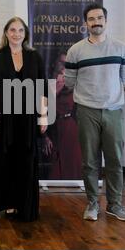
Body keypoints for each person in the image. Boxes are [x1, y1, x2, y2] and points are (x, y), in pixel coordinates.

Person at [64, 3, 125, 221]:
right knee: (90, 161)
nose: (96, 22)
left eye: (99, 18)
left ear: (106, 20)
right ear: (86, 23)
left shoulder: (121, 49)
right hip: (86, 111)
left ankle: (115, 205)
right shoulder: (75, 51)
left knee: (114, 160)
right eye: (91, 19)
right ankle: (92, 204)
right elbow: (69, 82)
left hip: (113, 111)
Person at [0, 16, 48, 222]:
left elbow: (42, 88)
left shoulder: (34, 57)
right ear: (6, 33)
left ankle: (24, 206)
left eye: (20, 30)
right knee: (3, 162)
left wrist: (44, 116)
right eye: (12, 30)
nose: (16, 34)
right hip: (2, 117)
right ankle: (7, 204)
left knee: (25, 163)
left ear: (25, 34)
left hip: (28, 118)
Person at [42, 51, 82, 180]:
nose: (64, 66)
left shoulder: (74, 83)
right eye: (62, 62)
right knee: (55, 169)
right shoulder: (47, 83)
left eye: (67, 63)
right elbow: (40, 111)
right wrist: (44, 137)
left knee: (73, 165)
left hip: (70, 127)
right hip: (52, 128)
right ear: (55, 64)